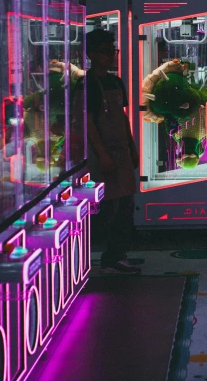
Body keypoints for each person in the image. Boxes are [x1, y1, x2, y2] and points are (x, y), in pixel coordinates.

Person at [76, 29, 141, 275]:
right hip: (100, 154)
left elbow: (123, 118)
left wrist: (131, 147)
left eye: (111, 51)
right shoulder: (87, 83)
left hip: (120, 151)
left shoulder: (116, 81)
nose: (110, 56)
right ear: (91, 54)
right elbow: (88, 122)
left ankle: (117, 255)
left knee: (125, 205)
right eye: (104, 52)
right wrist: (102, 154)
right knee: (106, 208)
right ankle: (94, 255)